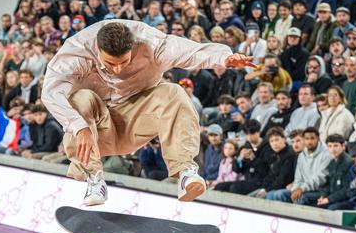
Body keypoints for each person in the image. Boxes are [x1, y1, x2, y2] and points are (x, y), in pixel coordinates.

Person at [40, 19, 250, 206]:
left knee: (174, 92)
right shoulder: (77, 51)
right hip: (94, 131)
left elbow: (189, 51)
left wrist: (224, 58)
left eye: (124, 62)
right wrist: (79, 127)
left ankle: (186, 172)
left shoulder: (151, 43)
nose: (118, 70)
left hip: (134, 121)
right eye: (110, 63)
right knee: (81, 98)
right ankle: (94, 179)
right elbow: (50, 92)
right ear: (97, 50)